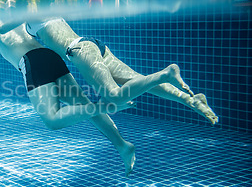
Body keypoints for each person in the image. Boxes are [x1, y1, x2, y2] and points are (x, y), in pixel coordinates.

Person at [0, 21, 137, 176]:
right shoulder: (15, 16)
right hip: (50, 56)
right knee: (85, 107)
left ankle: (108, 103)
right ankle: (122, 145)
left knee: (52, 120)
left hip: (31, 62)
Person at [24, 17, 218, 125]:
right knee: (137, 80)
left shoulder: (30, 12)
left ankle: (166, 73)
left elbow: (7, 28)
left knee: (115, 96)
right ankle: (190, 99)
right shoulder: (46, 10)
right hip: (91, 44)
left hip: (78, 50)